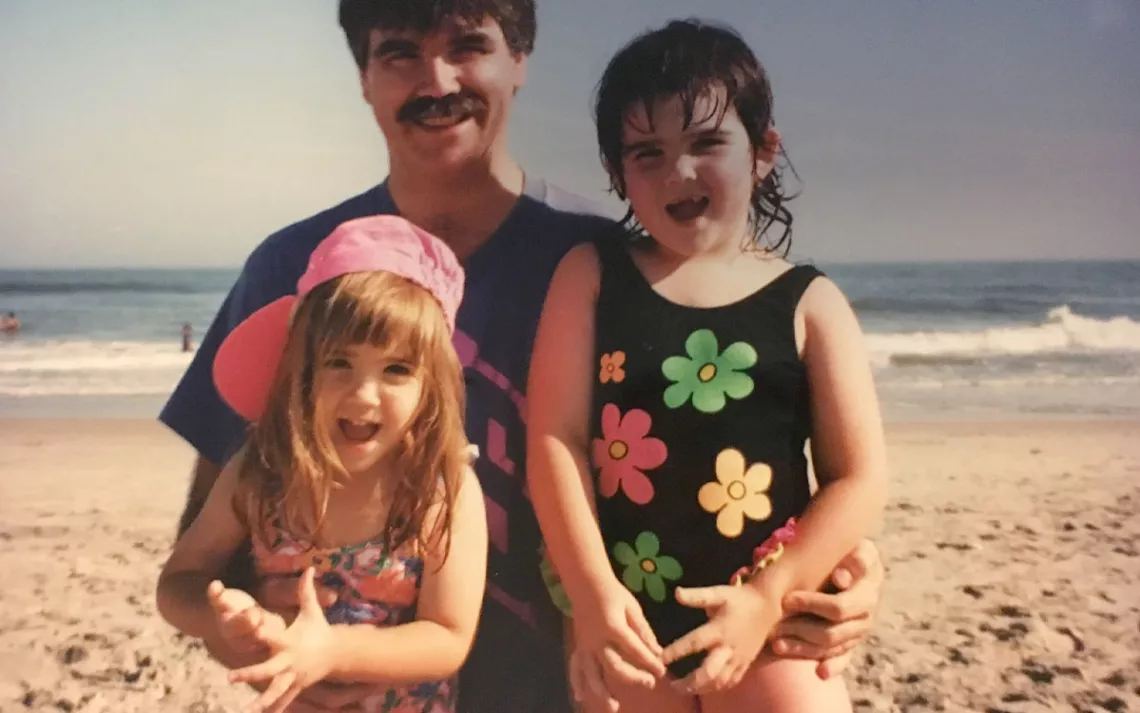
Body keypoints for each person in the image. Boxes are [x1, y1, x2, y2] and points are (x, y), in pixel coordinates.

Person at [158, 3, 885, 712]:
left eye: (467, 43)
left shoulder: (613, 259)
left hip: (567, 681)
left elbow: (732, 432)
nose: (436, 80)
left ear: (520, 60)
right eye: (400, 52)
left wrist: (839, 572)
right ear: (363, 76)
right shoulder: (295, 268)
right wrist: (265, 639)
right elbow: (212, 530)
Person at [527, 19, 887, 713]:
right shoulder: (592, 275)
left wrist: (767, 596)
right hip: (624, 610)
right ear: (617, 172)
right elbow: (555, 436)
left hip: (768, 613)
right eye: (646, 153)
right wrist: (594, 593)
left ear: (762, 151)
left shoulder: (810, 303)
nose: (678, 172)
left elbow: (860, 475)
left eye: (706, 143)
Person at [157, 216, 488, 713]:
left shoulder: (443, 488)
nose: (363, 394)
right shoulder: (263, 472)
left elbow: (448, 637)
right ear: (301, 368)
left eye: (396, 369)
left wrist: (332, 652)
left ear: (432, 386)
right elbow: (178, 582)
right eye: (339, 363)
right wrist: (225, 617)